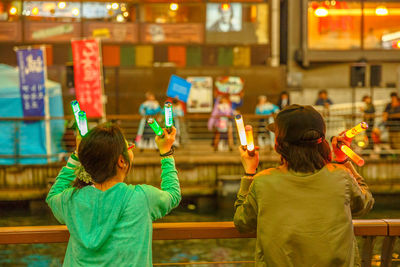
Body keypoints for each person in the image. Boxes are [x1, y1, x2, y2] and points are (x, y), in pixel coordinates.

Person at [234, 104, 374, 266]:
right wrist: (344, 160)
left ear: (278, 145)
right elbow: (365, 203)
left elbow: (242, 223)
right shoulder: (340, 176)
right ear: (321, 141)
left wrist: (249, 172)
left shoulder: (263, 182)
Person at [46, 124, 181, 266]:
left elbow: (53, 195)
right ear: (121, 161)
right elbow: (173, 194)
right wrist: (166, 152)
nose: (132, 146)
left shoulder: (71, 200)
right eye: (128, 145)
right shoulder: (142, 198)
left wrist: (77, 155)